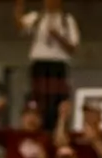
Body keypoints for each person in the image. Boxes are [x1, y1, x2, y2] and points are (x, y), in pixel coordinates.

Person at [15, 0, 78, 129]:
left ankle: (57, 130)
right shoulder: (37, 17)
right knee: (39, 102)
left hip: (58, 64)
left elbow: (73, 48)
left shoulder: (67, 20)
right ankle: (38, 131)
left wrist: (57, 37)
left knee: (57, 102)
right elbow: (20, 25)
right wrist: (19, 5)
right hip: (40, 64)